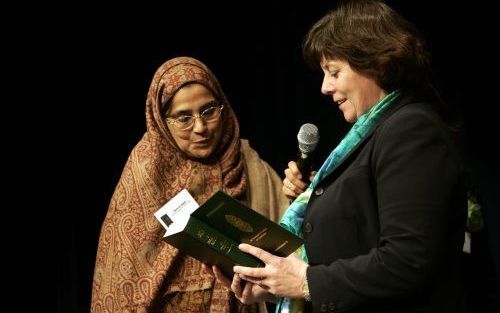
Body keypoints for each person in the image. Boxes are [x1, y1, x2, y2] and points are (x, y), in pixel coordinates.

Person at [208, 1, 467, 312]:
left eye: (334, 72)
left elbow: (408, 260)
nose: (324, 87)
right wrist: (274, 286)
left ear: (379, 64)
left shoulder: (411, 129)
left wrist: (306, 282)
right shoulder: (372, 134)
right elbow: (345, 252)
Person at [90, 56, 290, 313]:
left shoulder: (250, 167)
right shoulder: (146, 171)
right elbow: (120, 284)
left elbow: (292, 250)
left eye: (209, 111)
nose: (200, 128)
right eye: (183, 117)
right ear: (162, 120)